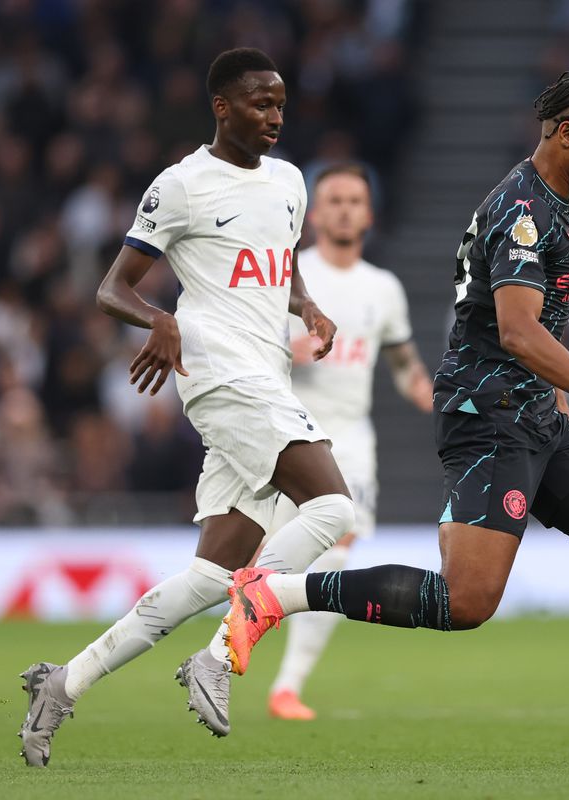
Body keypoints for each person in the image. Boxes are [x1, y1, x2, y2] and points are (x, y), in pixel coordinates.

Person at [222, 72, 569, 770]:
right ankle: (274, 593)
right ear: (565, 134)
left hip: (537, 415)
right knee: (466, 601)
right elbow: (517, 330)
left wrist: (564, 400)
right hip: (488, 418)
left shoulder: (552, 206)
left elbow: (533, 330)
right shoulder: (522, 211)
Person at [17, 48, 356, 767]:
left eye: (280, 104)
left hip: (267, 377)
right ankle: (220, 654)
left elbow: (281, 264)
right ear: (222, 107)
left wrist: (307, 306)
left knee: (211, 576)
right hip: (220, 375)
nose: (275, 116)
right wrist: (159, 318)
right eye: (260, 103)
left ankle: (63, 682)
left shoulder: (290, 182)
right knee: (332, 508)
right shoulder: (181, 186)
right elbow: (112, 288)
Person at [181, 162, 432, 729]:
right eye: (334, 200)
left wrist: (424, 389)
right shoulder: (286, 276)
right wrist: (286, 353)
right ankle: (216, 651)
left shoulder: (383, 288)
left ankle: (287, 686)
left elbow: (401, 360)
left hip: (353, 442)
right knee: (251, 562)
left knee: (338, 550)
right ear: (313, 214)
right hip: (285, 435)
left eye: (354, 201)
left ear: (369, 215)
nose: (344, 210)